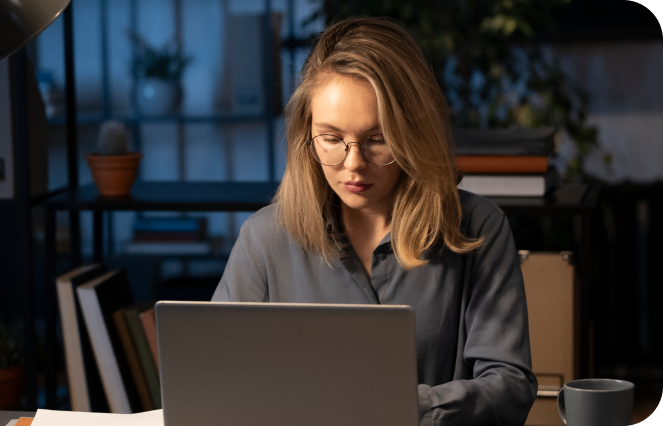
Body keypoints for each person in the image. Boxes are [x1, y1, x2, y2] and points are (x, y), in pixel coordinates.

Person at [212, 17, 537, 425]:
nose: (353, 165)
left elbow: (509, 386)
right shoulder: (264, 239)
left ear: (413, 134)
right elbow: (219, 383)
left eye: (377, 139)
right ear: (305, 135)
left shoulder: (476, 226)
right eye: (331, 139)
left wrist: (401, 406)